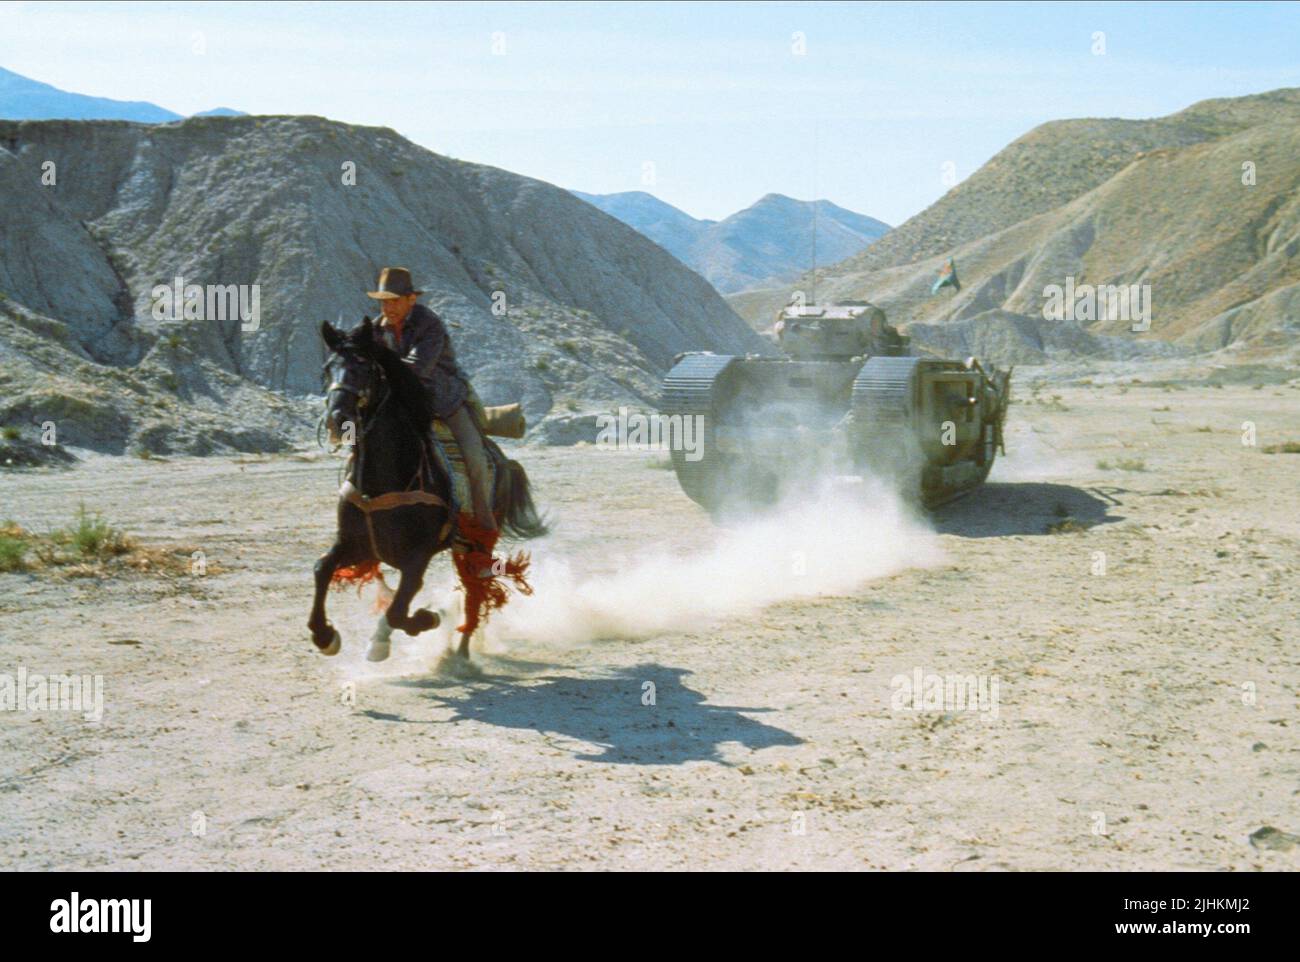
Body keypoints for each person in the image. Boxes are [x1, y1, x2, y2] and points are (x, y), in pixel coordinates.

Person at [365, 267, 498, 555]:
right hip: (404, 403)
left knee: (474, 455)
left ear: (411, 299)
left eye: (394, 300)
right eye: (383, 302)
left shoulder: (429, 324)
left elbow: (416, 369)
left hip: (445, 400)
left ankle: (483, 524)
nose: (387, 307)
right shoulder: (376, 329)